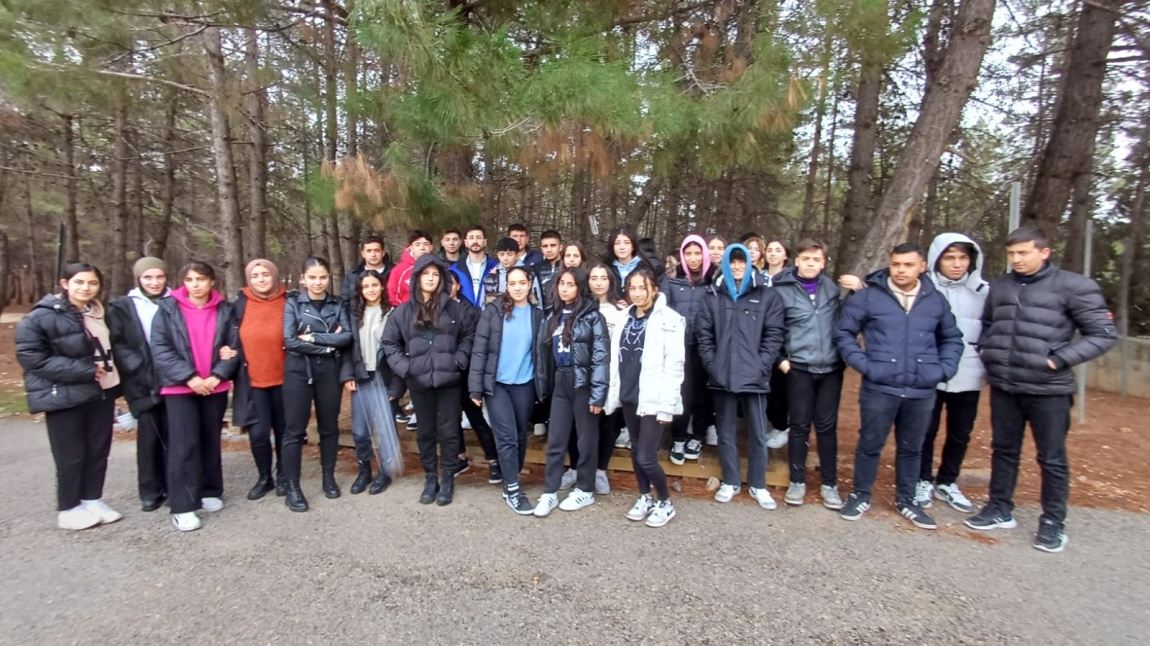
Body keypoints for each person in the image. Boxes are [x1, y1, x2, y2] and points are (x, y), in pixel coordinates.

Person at [967, 227, 1117, 553]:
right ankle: (999, 508)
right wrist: (985, 349)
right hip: (1005, 385)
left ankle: (1052, 522)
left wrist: (1058, 360)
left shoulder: (1075, 286)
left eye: (1023, 253)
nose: (1016, 259)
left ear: (1044, 252)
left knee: (1051, 458)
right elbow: (990, 322)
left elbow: (1103, 334)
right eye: (1011, 254)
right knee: (1003, 450)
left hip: (1048, 389)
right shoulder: (1002, 285)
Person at [833, 243, 963, 530]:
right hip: (880, 387)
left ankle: (907, 500)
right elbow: (843, 333)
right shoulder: (868, 297)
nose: (901, 270)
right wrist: (866, 365)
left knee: (912, 448)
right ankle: (860, 495)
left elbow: (952, 338)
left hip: (921, 389)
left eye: (907, 265)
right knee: (869, 443)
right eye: (896, 264)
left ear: (922, 266)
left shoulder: (935, 300)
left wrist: (942, 370)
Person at [16, 263, 123, 531]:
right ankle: (68, 507)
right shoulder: (41, 316)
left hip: (101, 390)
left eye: (92, 283)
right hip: (65, 394)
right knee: (71, 454)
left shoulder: (98, 313)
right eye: (79, 283)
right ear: (65, 284)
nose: (86, 288)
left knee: (98, 450)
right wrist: (84, 370)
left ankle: (92, 499)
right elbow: (32, 358)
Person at [151, 261, 240, 532]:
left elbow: (234, 346)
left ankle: (210, 489)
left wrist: (217, 375)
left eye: (201, 279)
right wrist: (190, 377)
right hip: (181, 387)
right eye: (190, 280)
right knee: (183, 444)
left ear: (212, 281)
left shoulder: (225, 310)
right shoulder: (167, 309)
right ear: (183, 283)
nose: (195, 285)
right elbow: (161, 348)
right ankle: (183, 505)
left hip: (214, 385)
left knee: (209, 439)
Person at [383, 254, 476, 507]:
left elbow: (469, 336)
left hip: (449, 382)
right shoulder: (403, 312)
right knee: (425, 433)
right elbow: (390, 343)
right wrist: (406, 367)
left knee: (448, 432)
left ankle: (447, 478)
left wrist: (459, 360)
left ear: (442, 278)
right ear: (417, 278)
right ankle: (430, 478)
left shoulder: (455, 309)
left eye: (436, 274)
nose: (431, 279)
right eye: (426, 274)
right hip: (419, 381)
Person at [697, 244, 785, 510]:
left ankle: (758, 484)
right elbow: (704, 336)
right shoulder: (713, 295)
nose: (737, 267)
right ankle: (731, 481)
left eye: (741, 262)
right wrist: (713, 365)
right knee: (725, 432)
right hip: (722, 375)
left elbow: (774, 335)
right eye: (732, 262)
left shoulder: (766, 295)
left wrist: (762, 365)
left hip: (754, 377)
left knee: (758, 433)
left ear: (750, 264)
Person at [914, 233, 989, 513]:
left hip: (969, 369)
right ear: (936, 259)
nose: (957, 264)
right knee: (926, 429)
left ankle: (948, 480)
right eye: (949, 257)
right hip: (929, 370)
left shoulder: (983, 291)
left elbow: (991, 327)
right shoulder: (923, 289)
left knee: (960, 431)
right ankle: (922, 479)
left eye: (962, 258)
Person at [606, 269, 685, 528]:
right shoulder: (623, 318)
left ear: (654, 289)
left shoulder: (670, 320)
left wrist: (668, 406)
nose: (638, 293)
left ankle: (664, 500)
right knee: (636, 450)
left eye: (643, 287)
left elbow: (675, 365)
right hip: (630, 395)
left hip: (654, 397)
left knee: (646, 457)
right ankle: (644, 496)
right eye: (633, 288)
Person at [772, 240, 845, 510]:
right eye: (806, 259)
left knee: (827, 428)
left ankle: (830, 484)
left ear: (824, 262)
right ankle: (797, 481)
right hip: (798, 367)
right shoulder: (782, 289)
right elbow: (773, 328)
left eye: (816, 259)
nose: (811, 263)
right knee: (800, 425)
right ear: (797, 261)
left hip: (830, 369)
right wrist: (780, 360)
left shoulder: (833, 289)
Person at [532, 267, 609, 517]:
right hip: (561, 383)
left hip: (583, 383)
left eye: (571, 284)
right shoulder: (551, 315)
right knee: (556, 439)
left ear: (580, 287)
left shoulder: (592, 317)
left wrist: (598, 394)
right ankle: (550, 491)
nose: (565, 288)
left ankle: (585, 489)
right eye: (561, 283)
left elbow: (601, 357)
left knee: (586, 440)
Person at [469, 266, 544, 514]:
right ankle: (512, 487)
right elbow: (479, 350)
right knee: (507, 437)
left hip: (524, 384)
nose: (518, 287)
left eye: (522, 282)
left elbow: (541, 355)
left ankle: (511, 477)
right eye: (512, 283)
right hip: (497, 385)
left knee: (521, 435)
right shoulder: (493, 312)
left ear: (530, 284)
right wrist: (475, 389)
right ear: (506, 286)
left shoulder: (537, 315)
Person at [280, 257, 353, 512]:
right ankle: (292, 486)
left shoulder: (337, 302)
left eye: (322, 277)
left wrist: (312, 337)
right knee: (294, 430)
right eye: (312, 277)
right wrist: (328, 344)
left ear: (328, 277)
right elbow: (290, 341)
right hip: (298, 370)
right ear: (303, 279)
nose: (318, 282)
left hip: (328, 372)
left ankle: (328, 476)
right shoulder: (293, 303)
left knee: (329, 427)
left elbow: (347, 337)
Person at [107, 257, 170, 512]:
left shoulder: (175, 302)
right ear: (139, 279)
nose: (154, 282)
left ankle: (174, 482)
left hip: (173, 379)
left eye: (159, 277)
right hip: (142, 382)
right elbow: (118, 344)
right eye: (148, 277)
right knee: (149, 437)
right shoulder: (123, 306)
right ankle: (150, 489)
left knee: (176, 436)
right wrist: (142, 368)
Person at [230, 259, 289, 501]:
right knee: (258, 433)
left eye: (265, 274)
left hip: (285, 379)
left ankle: (284, 475)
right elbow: (228, 336)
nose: (261, 279)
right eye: (255, 276)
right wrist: (225, 350)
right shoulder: (239, 304)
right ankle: (265, 477)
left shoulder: (289, 301)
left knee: (285, 431)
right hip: (253, 381)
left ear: (274, 276)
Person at [341, 269, 401, 496]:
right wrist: (347, 376)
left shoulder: (393, 314)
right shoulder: (354, 315)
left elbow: (399, 353)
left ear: (382, 286)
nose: (370, 290)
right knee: (360, 430)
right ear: (360, 290)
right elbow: (347, 348)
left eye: (374, 285)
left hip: (383, 378)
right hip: (361, 377)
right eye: (365, 287)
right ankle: (364, 469)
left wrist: (396, 386)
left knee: (385, 429)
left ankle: (385, 472)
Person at [664, 234, 718, 456]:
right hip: (679, 346)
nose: (693, 258)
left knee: (701, 394)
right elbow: (664, 311)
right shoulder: (673, 282)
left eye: (697, 253)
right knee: (681, 393)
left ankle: (697, 436)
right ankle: (678, 437)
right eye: (688, 253)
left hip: (704, 346)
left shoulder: (714, 282)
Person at [585, 262, 629, 493]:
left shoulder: (621, 312)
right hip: (585, 378)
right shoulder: (581, 308)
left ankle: (601, 470)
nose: (599, 282)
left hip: (611, 378)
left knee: (608, 426)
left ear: (611, 281)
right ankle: (580, 468)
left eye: (603, 278)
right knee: (584, 427)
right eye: (594, 278)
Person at [451, 224, 498, 308]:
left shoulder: (496, 267)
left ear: (485, 242)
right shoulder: (455, 268)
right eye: (471, 238)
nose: (475, 241)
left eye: (479, 238)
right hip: (463, 316)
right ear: (465, 242)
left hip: (488, 316)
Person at [485, 237, 543, 305]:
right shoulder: (492, 276)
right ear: (497, 255)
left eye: (510, 254)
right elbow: (485, 303)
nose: (505, 258)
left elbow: (537, 301)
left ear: (517, 255)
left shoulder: (529, 274)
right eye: (502, 254)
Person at [342, 232, 394, 304]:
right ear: (363, 254)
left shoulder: (395, 273)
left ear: (383, 253)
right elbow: (345, 302)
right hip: (358, 314)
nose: (373, 255)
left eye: (377, 250)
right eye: (369, 251)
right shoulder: (353, 275)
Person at [387, 230, 434, 307]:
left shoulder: (440, 268)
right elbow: (393, 296)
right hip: (406, 314)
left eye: (426, 244)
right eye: (417, 244)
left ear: (431, 247)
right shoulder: (399, 270)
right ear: (411, 247)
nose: (422, 248)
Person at [530, 229, 564, 311]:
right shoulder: (535, 269)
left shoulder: (568, 268)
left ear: (560, 247)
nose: (549, 250)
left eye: (553, 245)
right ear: (541, 248)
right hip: (542, 316)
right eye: (545, 246)